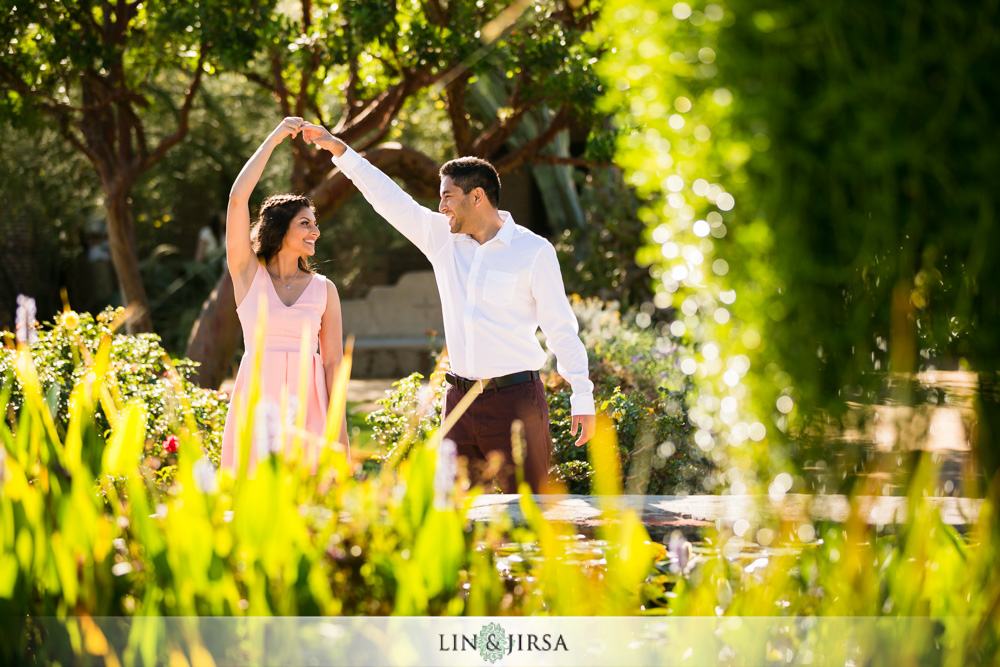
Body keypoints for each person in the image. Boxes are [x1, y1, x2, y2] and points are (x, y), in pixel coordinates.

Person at [300, 122, 596, 494]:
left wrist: (581, 395)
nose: (440, 207)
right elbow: (390, 199)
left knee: (529, 516)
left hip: (515, 403)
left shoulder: (533, 251)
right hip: (458, 402)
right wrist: (339, 151)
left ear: (477, 197)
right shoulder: (442, 238)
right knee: (451, 516)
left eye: (448, 197)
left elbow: (560, 327)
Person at [220, 117, 349, 473]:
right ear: (281, 228)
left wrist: (341, 440)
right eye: (305, 223)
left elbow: (334, 365)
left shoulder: (325, 290)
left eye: (315, 223)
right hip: (257, 402)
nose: (315, 232)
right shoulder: (247, 273)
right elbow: (236, 199)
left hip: (312, 407)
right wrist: (274, 139)